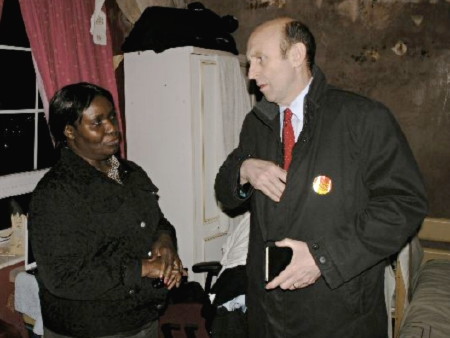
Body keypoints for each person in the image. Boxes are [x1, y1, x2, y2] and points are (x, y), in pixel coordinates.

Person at [214, 17, 428, 338]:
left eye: (261, 59)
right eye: (249, 62)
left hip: (337, 311)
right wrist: (244, 170)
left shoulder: (362, 118)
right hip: (267, 311)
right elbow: (224, 191)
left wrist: (323, 257)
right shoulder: (257, 122)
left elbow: (404, 205)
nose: (251, 73)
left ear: (297, 55)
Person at [28, 82, 185, 338]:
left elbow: (157, 221)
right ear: (70, 131)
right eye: (97, 122)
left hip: (142, 315)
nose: (112, 128)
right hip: (93, 327)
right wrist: (144, 268)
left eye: (112, 116)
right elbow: (62, 277)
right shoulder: (56, 193)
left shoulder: (127, 172)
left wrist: (165, 242)